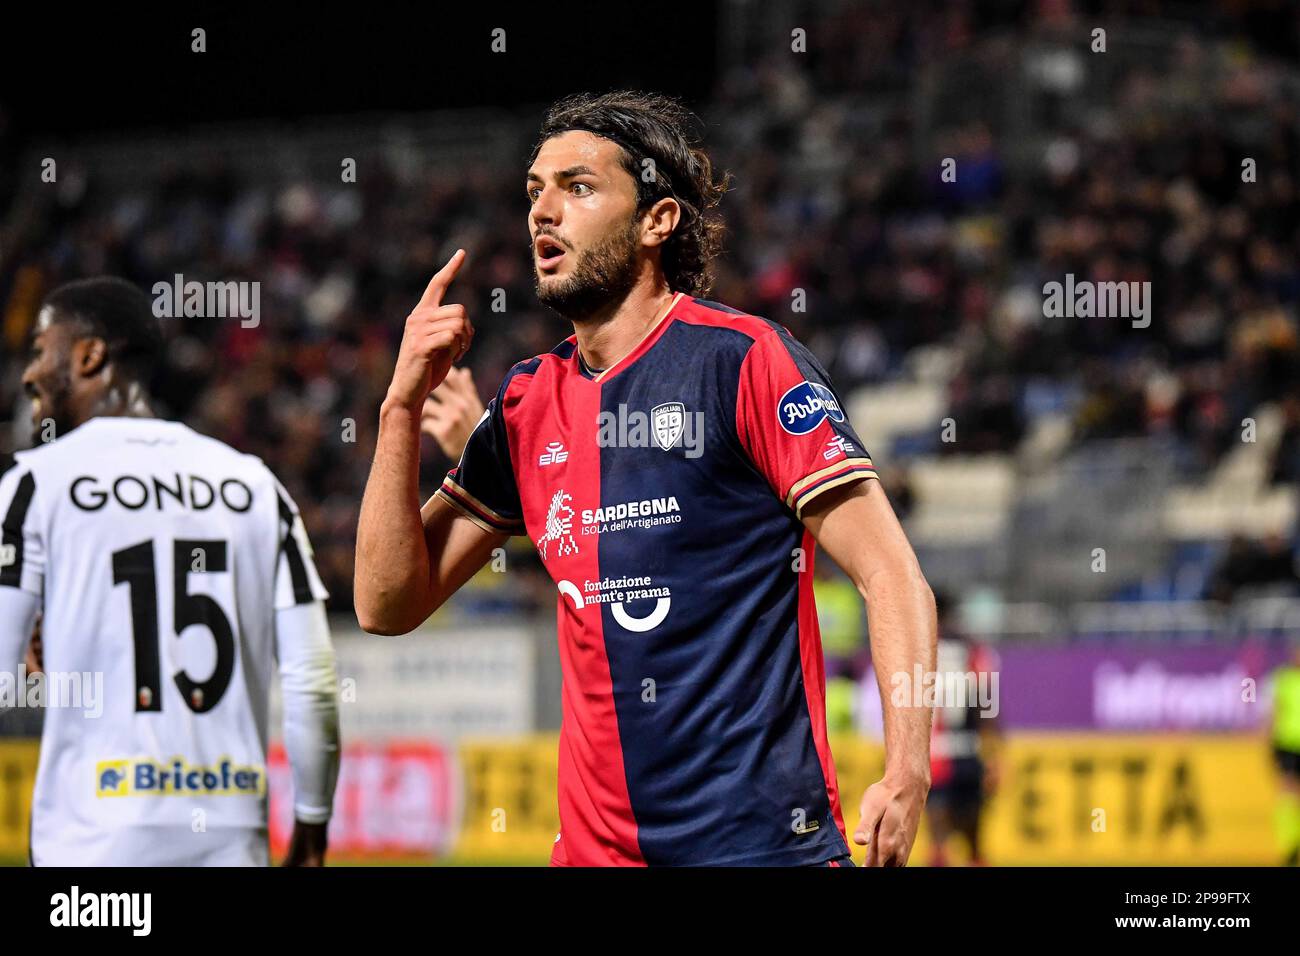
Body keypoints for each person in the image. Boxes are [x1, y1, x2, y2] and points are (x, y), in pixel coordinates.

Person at [356, 91, 937, 867]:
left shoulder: (742, 361)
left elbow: (893, 576)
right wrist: (400, 406)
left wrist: (907, 768)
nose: (544, 212)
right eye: (535, 190)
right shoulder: (529, 404)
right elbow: (386, 603)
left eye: (579, 186)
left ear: (656, 222)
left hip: (762, 851)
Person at [0, 277, 340, 865]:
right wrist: (311, 821)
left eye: (39, 350)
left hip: (92, 842)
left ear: (88, 355)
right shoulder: (255, 486)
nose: (28, 374)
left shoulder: (35, 484)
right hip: (230, 838)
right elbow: (312, 679)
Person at [1267, 642, 1300, 866]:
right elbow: (1273, 712)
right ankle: (1290, 845)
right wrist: (1269, 742)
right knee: (1287, 794)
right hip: (1287, 744)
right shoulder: (1283, 679)